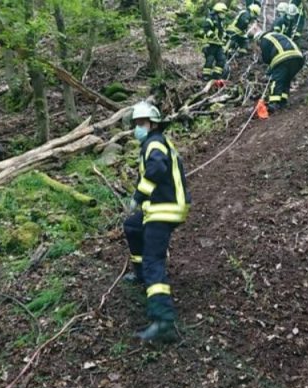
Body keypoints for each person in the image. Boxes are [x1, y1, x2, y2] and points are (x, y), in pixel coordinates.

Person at [122, 102, 190, 343]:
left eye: (141, 124)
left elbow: (158, 169)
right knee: (132, 226)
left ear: (152, 124)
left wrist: (138, 196)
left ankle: (163, 321)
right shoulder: (155, 142)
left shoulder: (153, 143)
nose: (137, 128)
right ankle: (141, 274)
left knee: (154, 260)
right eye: (136, 124)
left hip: (164, 208)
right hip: (161, 206)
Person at [255, 28, 304, 112]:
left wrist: (269, 70)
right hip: (298, 58)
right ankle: (282, 101)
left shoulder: (265, 38)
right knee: (286, 80)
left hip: (283, 57)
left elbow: (266, 57)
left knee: (277, 80)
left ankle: (274, 102)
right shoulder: (278, 35)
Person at [201, 3, 229, 80]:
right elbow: (206, 28)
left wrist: (226, 36)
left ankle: (216, 74)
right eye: (223, 12)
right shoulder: (210, 19)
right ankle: (206, 75)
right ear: (218, 11)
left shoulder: (221, 22)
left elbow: (221, 32)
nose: (224, 14)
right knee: (210, 59)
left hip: (218, 45)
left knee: (222, 59)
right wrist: (212, 35)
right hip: (210, 44)